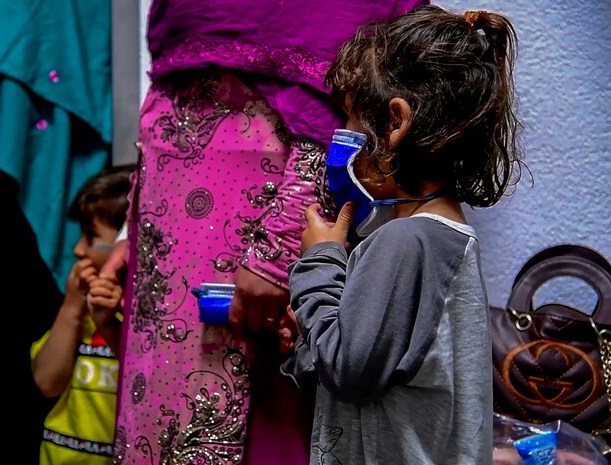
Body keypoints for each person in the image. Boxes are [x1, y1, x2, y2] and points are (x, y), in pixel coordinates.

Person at [110, 1, 427, 464]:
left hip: (255, 208)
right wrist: (134, 227)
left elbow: (343, 75)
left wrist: (282, 242)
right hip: (172, 207)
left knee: (245, 409)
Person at [280, 6, 525, 465]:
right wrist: (310, 329)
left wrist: (321, 261)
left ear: (395, 123)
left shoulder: (405, 242)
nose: (344, 136)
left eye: (352, 120)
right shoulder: (446, 237)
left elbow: (350, 369)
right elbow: (373, 359)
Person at [31, 165, 133, 465]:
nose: (78, 250)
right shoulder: (80, 311)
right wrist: (72, 307)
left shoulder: (150, 318)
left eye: (91, 236)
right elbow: (47, 382)